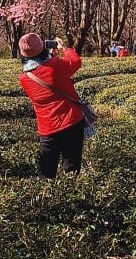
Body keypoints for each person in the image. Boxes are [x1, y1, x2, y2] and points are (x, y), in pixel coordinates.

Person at [18, 33, 86, 178]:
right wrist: (64, 48)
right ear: (43, 47)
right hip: (72, 121)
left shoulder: (24, 78)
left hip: (47, 128)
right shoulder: (55, 65)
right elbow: (75, 61)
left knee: (46, 172)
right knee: (72, 168)